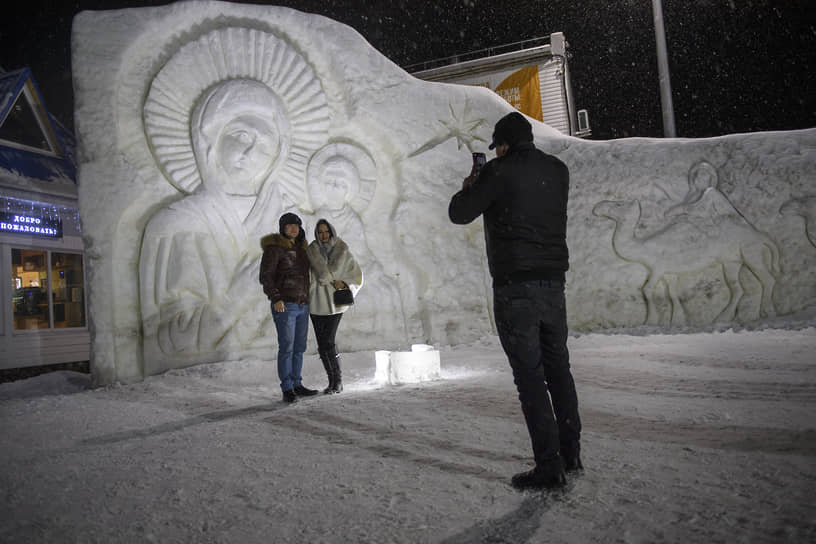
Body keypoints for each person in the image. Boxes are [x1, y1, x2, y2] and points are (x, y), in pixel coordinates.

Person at [448, 111, 582, 491]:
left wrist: (471, 183)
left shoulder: (498, 171)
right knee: (559, 370)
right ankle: (571, 453)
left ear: (504, 144)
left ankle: (548, 466)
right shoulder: (558, 171)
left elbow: (459, 213)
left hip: (514, 287)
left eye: (498, 146)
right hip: (553, 285)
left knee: (530, 378)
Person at [260, 212, 319, 403]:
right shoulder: (274, 249)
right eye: (289, 225)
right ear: (282, 228)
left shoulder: (302, 250)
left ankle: (297, 383)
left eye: (297, 225)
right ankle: (287, 387)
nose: (294, 228)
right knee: (287, 346)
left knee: (299, 347)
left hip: (302, 304)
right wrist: (275, 297)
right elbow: (266, 276)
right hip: (285, 304)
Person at [306, 219, 364, 393]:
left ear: (331, 232)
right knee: (322, 343)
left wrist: (344, 284)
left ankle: (337, 381)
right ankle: (331, 381)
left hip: (334, 304)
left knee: (328, 341)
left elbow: (357, 276)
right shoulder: (311, 251)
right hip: (316, 303)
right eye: (320, 232)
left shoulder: (342, 251)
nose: (324, 235)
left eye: (326, 232)